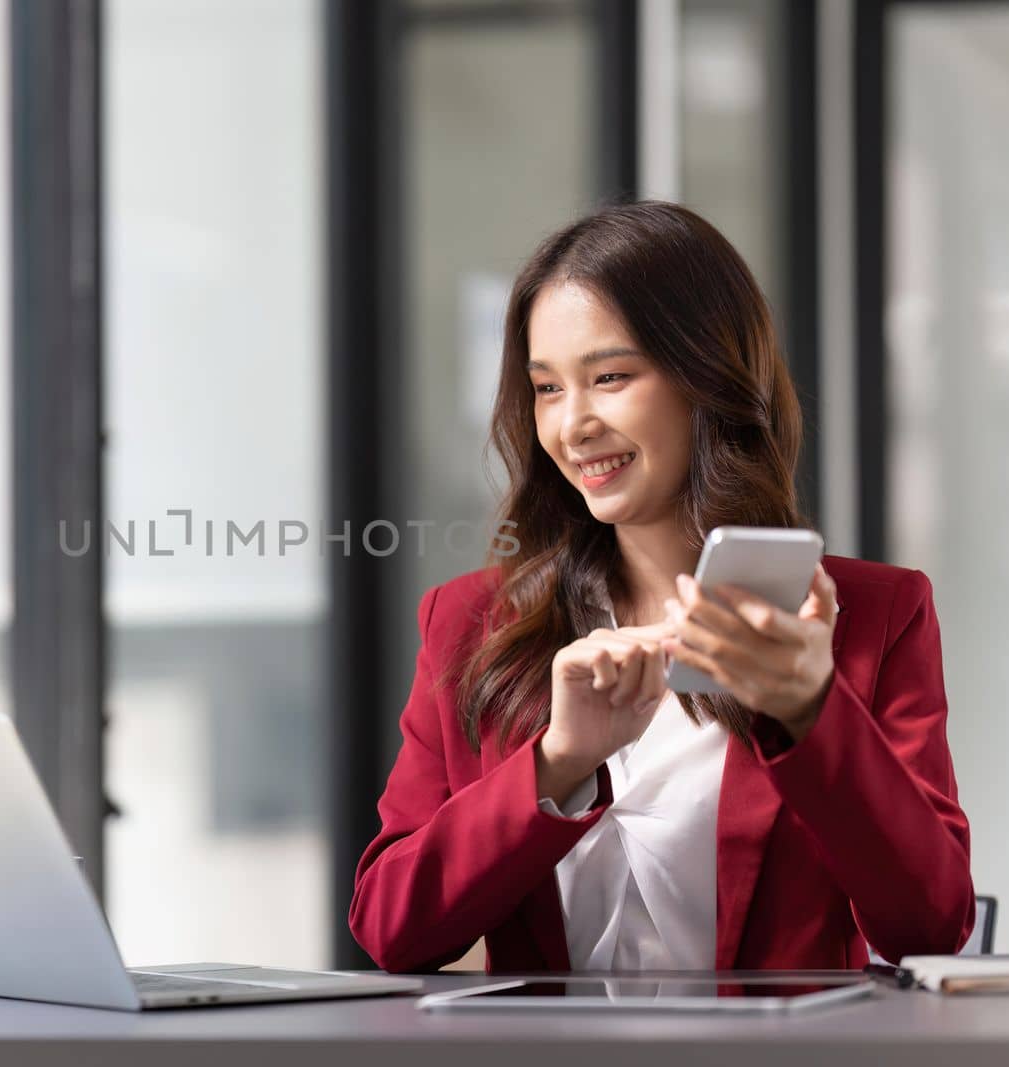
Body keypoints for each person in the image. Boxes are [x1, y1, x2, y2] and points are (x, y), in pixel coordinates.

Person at [348, 201, 973, 974]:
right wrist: (557, 761)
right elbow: (391, 928)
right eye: (546, 388)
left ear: (706, 376)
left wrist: (811, 709)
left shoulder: (873, 615)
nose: (572, 424)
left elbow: (930, 925)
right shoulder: (471, 622)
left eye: (609, 377)